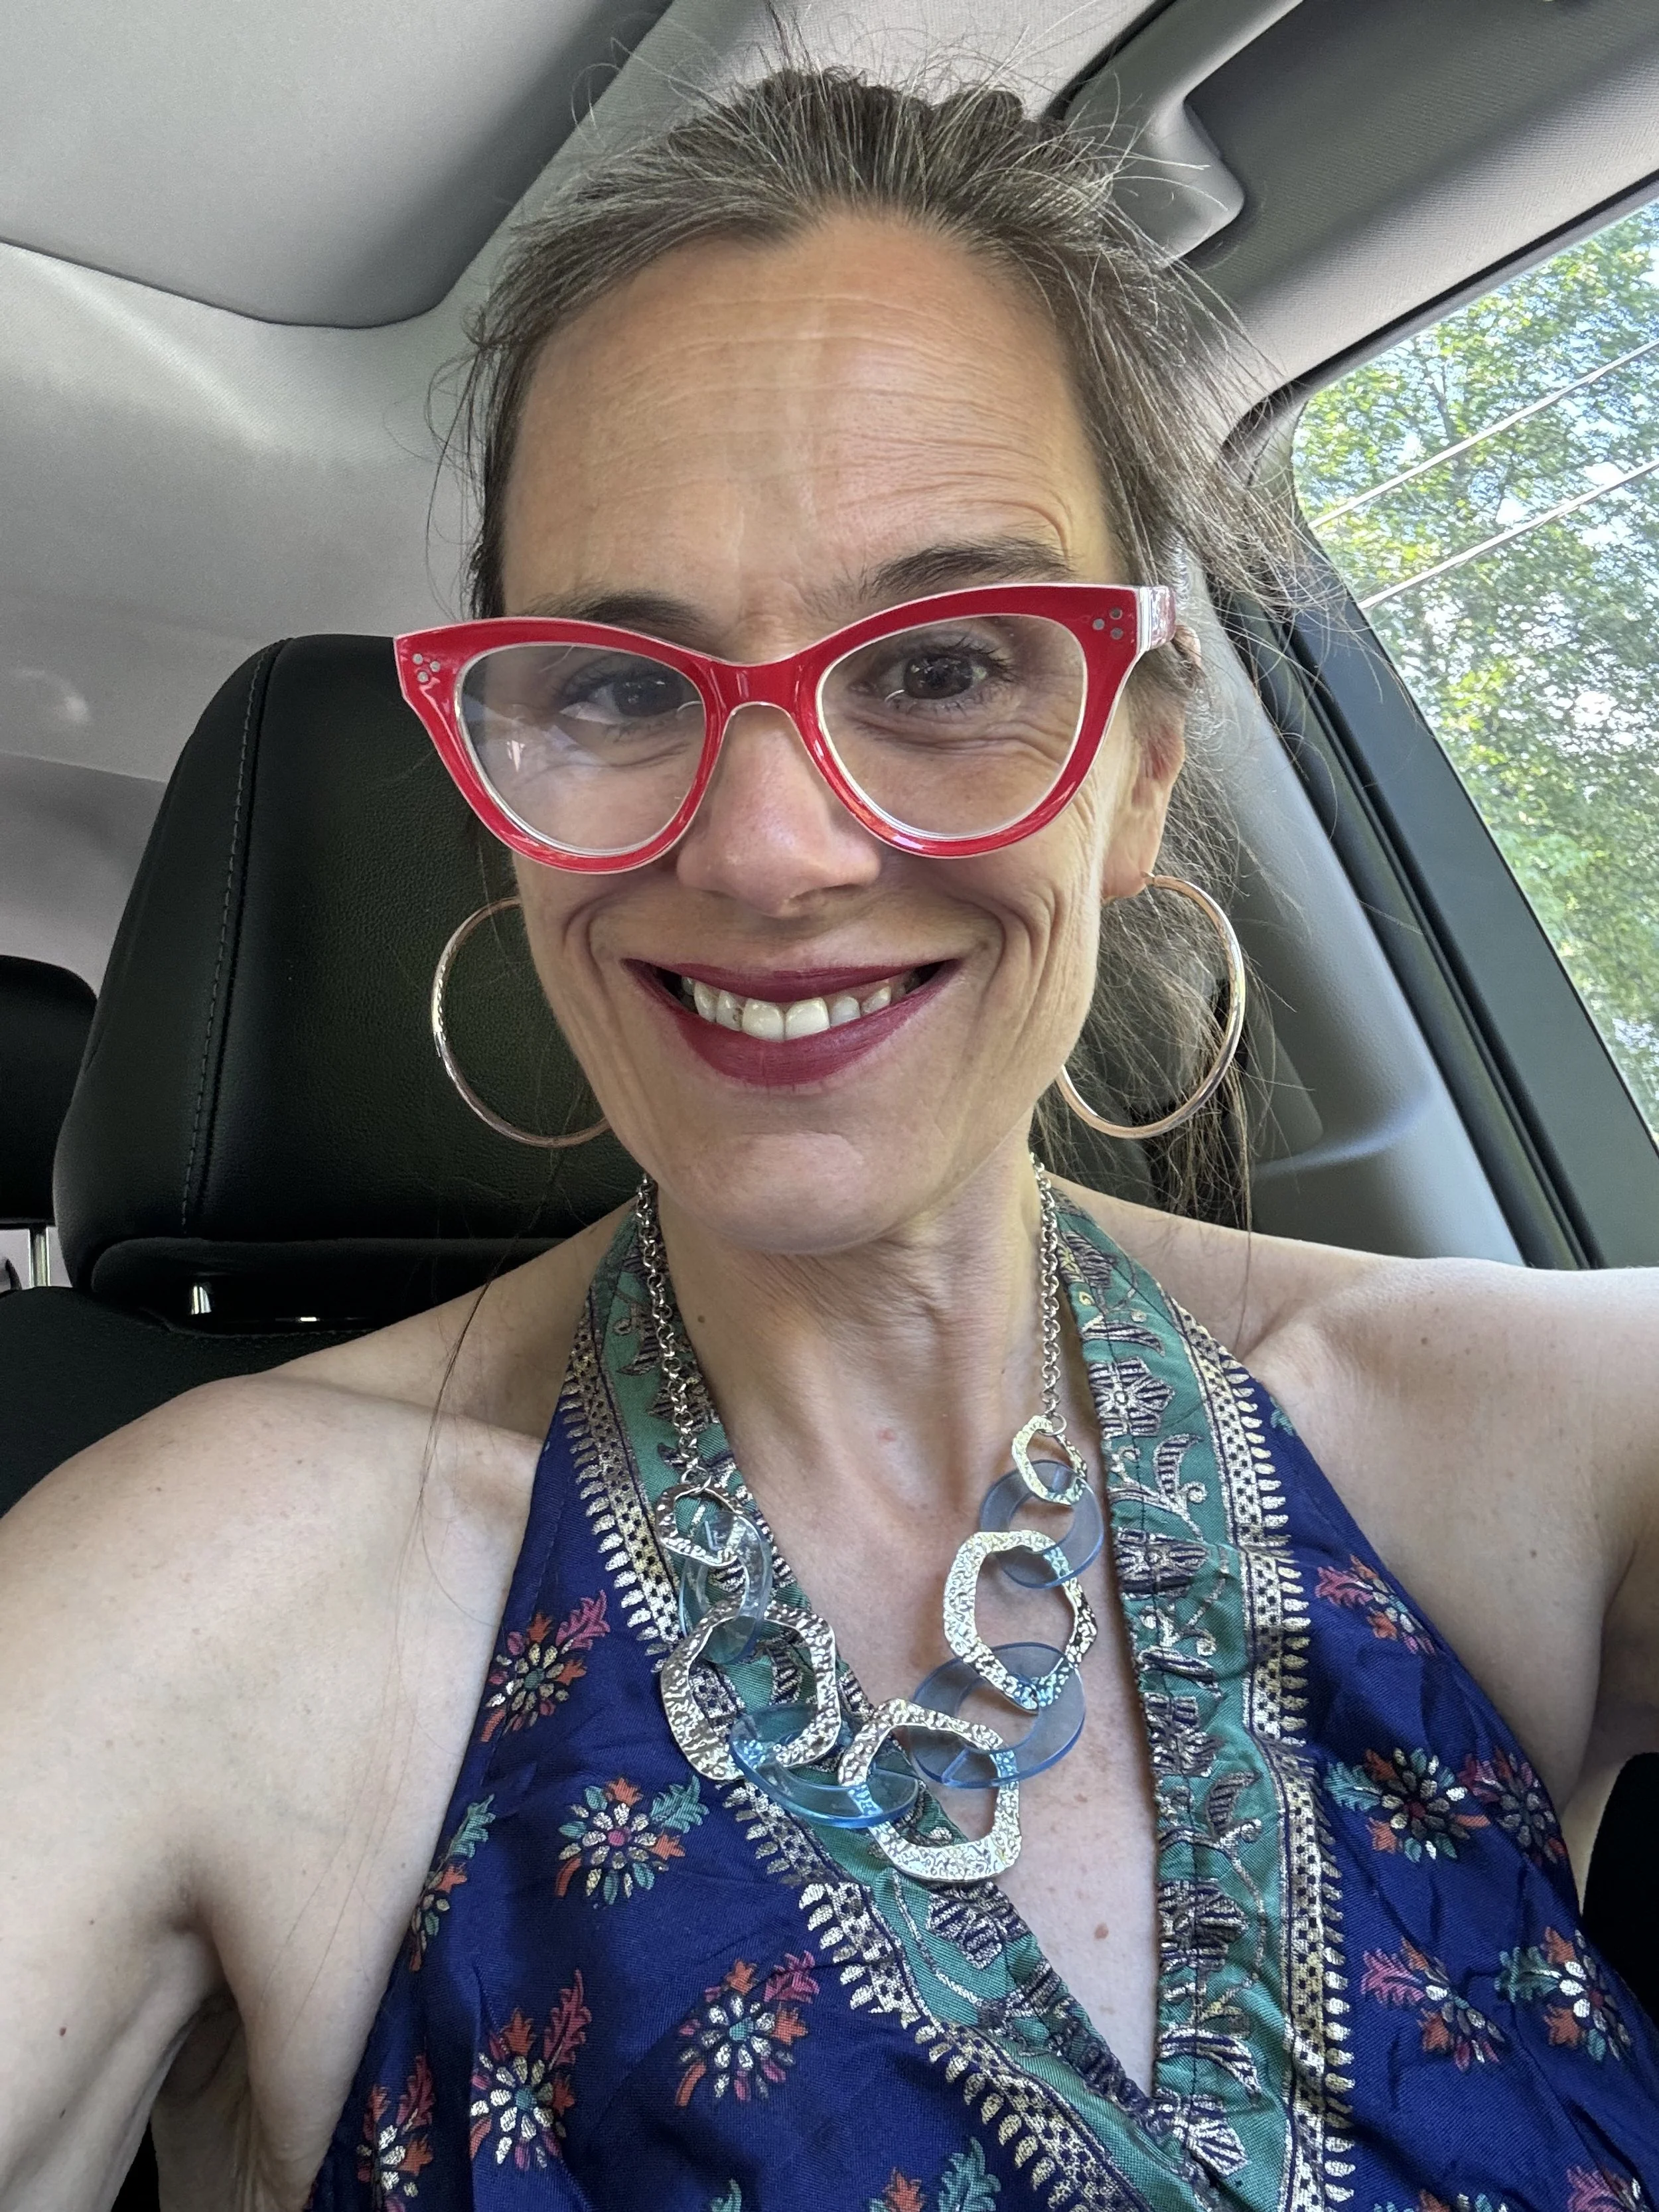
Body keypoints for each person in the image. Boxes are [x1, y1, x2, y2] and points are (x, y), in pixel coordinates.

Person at [3, 64, 1657, 2212]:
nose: (773, 851)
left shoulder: (1531, 1426)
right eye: (614, 686)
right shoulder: (191, 1593)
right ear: (499, 790)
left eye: (950, 661)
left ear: (1140, 771)